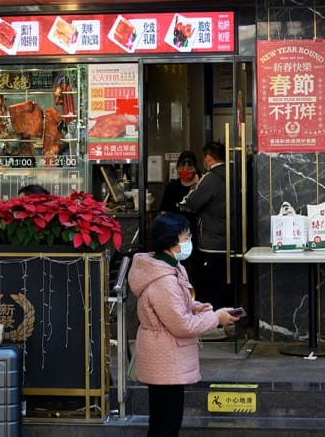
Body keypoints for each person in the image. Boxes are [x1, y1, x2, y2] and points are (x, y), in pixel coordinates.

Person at [128, 212, 240, 437]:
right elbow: (182, 324)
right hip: (165, 357)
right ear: (170, 241)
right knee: (166, 423)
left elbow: (181, 304)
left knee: (165, 419)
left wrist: (203, 308)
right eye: (185, 237)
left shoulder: (170, 267)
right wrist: (216, 319)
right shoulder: (163, 281)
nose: (189, 241)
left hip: (166, 356)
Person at [178, 141, 235, 309]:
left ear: (209, 158)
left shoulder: (210, 178)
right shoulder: (236, 173)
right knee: (229, 283)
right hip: (235, 241)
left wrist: (196, 185)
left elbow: (192, 202)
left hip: (212, 242)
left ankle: (215, 321)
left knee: (212, 285)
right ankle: (232, 318)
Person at [159, 151, 200, 217]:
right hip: (174, 225)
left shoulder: (200, 186)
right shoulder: (171, 186)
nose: (185, 171)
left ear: (195, 169)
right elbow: (163, 210)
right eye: (182, 168)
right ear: (177, 168)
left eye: (189, 168)